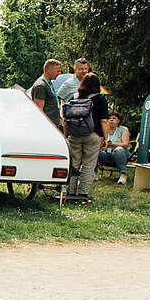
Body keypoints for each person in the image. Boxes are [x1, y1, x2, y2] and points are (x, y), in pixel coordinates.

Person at [64, 72, 111, 201]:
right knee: (89, 164)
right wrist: (105, 138)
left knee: (74, 163)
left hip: (74, 134)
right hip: (92, 135)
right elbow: (104, 121)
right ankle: (83, 193)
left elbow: (65, 118)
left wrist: (66, 134)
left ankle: (70, 191)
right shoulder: (100, 99)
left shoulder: (74, 97)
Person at [98, 110, 131, 185]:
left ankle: (123, 174)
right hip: (105, 153)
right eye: (109, 118)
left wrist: (112, 144)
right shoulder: (103, 129)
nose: (111, 119)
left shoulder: (123, 130)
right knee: (95, 150)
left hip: (119, 154)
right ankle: (93, 173)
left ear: (118, 121)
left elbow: (125, 144)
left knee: (118, 150)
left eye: (114, 118)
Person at [30, 59, 63, 130]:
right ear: (49, 70)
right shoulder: (41, 86)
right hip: (48, 127)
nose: (59, 73)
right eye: (58, 71)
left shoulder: (49, 83)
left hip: (54, 124)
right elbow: (39, 109)